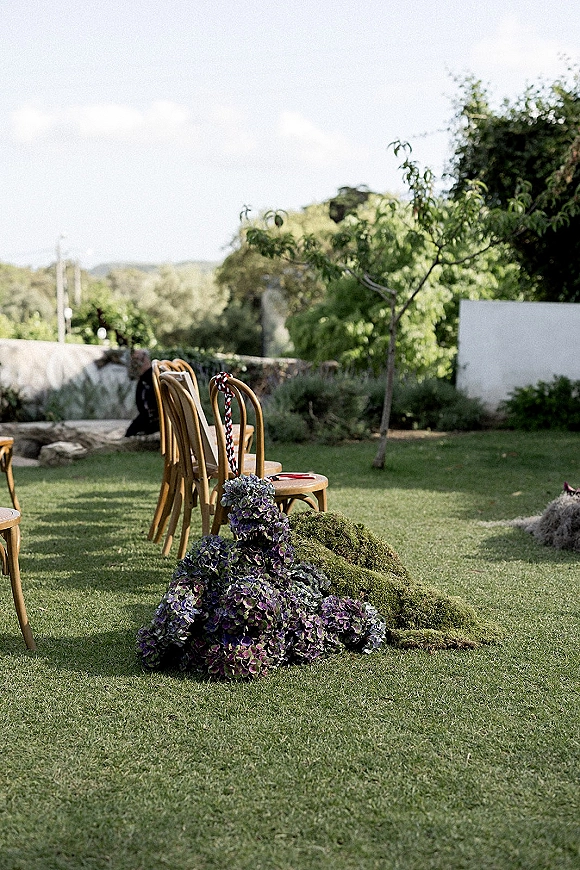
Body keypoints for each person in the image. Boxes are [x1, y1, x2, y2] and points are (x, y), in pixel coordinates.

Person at [125, 349, 160, 437]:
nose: (134, 362)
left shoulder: (152, 377)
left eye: (136, 358)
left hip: (154, 419)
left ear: (145, 359)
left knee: (130, 434)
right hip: (148, 417)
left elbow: (151, 404)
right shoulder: (144, 379)